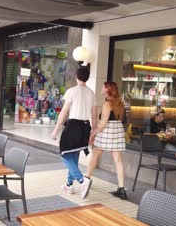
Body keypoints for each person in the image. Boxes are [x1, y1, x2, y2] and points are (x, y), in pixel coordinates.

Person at [51, 67, 96, 199]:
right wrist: (93, 132)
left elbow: (64, 112)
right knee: (74, 154)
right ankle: (69, 185)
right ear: (87, 77)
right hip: (85, 127)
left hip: (73, 126)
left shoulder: (72, 91)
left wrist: (55, 129)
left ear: (77, 77)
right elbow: (94, 115)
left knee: (64, 153)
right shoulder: (91, 93)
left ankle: (82, 181)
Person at [86, 82, 127, 200]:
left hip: (107, 131)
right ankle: (121, 188)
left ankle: (87, 179)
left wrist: (93, 133)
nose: (101, 88)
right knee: (118, 160)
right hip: (117, 130)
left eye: (103, 87)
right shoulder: (119, 103)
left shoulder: (107, 104)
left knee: (95, 155)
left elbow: (103, 123)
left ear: (107, 90)